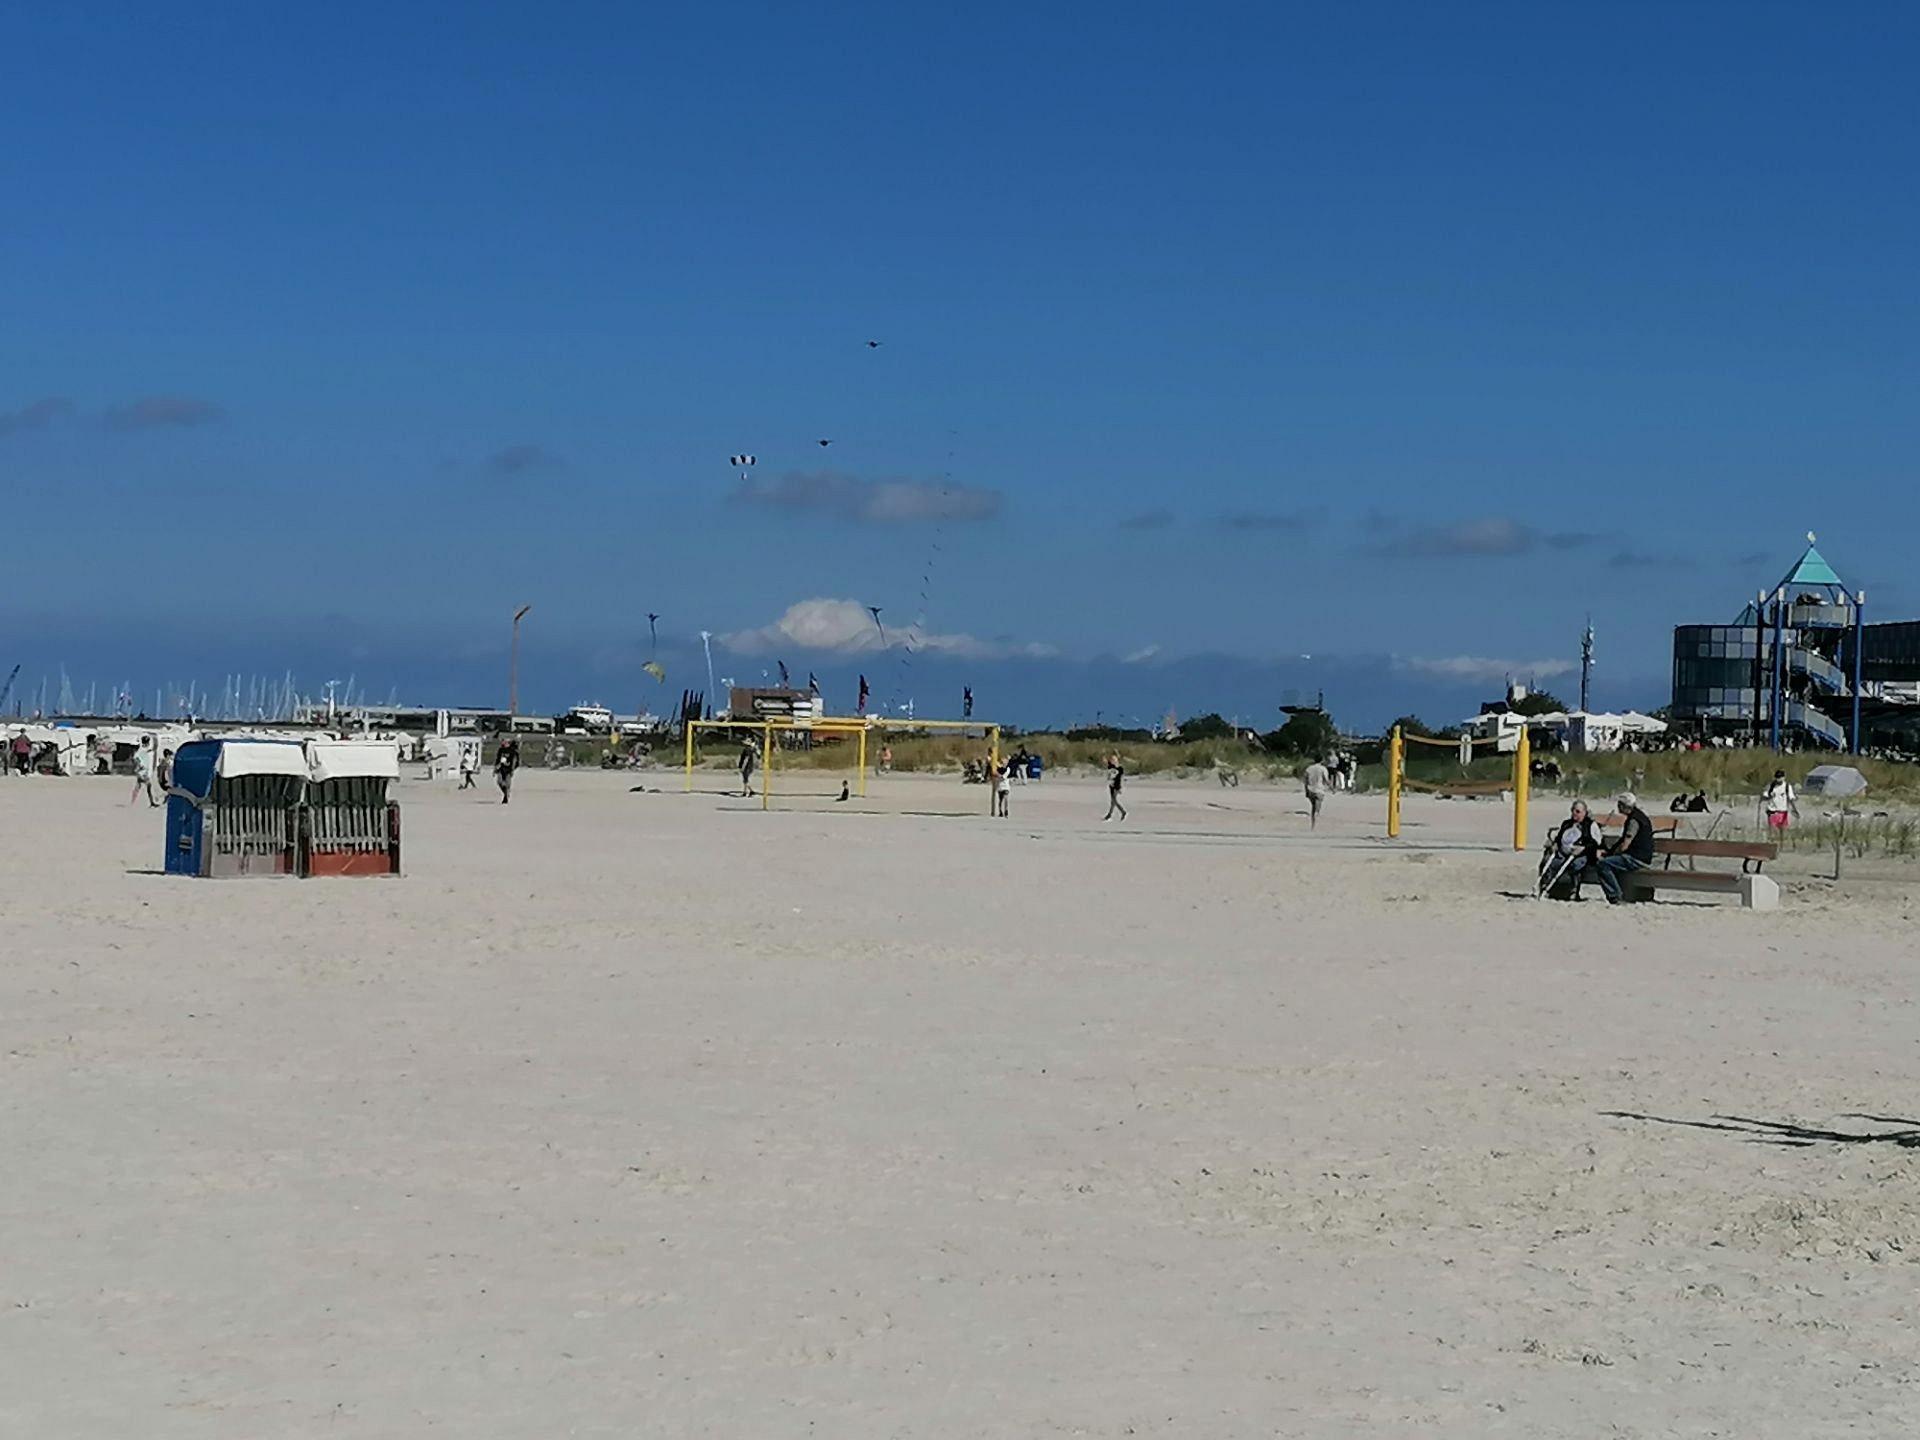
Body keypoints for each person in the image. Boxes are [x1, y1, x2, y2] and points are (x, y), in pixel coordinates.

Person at [1592, 792, 1656, 904]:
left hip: (1637, 858)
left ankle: (1615, 896)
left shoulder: (1634, 821)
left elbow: (1625, 844)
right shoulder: (1639, 816)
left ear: (1623, 806)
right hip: (1641, 856)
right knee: (1613, 863)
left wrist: (1610, 855)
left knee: (1603, 864)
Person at [1542, 799, 1600, 898]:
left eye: (1577, 811)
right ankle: (1546, 886)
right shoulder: (1567, 824)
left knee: (1575, 865)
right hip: (1563, 852)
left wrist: (1583, 848)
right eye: (1573, 810)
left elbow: (1596, 843)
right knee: (1549, 862)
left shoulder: (1590, 825)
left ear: (1584, 812)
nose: (1574, 813)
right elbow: (1559, 838)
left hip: (1580, 854)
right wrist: (1555, 844)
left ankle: (1574, 889)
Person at [1301, 756, 1332, 828]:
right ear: (1322, 761)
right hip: (1319, 790)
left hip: (1310, 789)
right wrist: (1331, 788)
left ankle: (1313, 824)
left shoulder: (1309, 768)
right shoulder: (1323, 769)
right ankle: (1315, 824)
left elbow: (1305, 780)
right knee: (1317, 808)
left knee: (1313, 807)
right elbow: (1326, 780)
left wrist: (1306, 790)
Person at [130, 735, 158, 805]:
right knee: (148, 786)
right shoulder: (141, 750)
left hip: (143, 771)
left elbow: (152, 749)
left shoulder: (143, 749)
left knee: (138, 786)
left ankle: (133, 801)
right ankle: (152, 802)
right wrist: (140, 765)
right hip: (142, 772)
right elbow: (136, 759)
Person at [494, 736, 521, 804]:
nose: (503, 743)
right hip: (500, 768)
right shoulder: (501, 750)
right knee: (500, 782)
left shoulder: (512, 751)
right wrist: (495, 768)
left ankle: (505, 796)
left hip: (508, 769)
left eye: (504, 741)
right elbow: (497, 759)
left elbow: (515, 761)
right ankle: (505, 793)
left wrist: (512, 769)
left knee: (507, 784)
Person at [1103, 753, 1127, 822]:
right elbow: (1105, 761)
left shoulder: (1120, 769)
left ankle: (1123, 811)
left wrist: (1121, 787)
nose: (1112, 760)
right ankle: (1109, 815)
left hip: (1117, 786)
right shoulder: (1110, 767)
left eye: (1113, 759)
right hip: (1111, 786)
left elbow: (1121, 778)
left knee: (1114, 800)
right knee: (1113, 802)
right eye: (1111, 759)